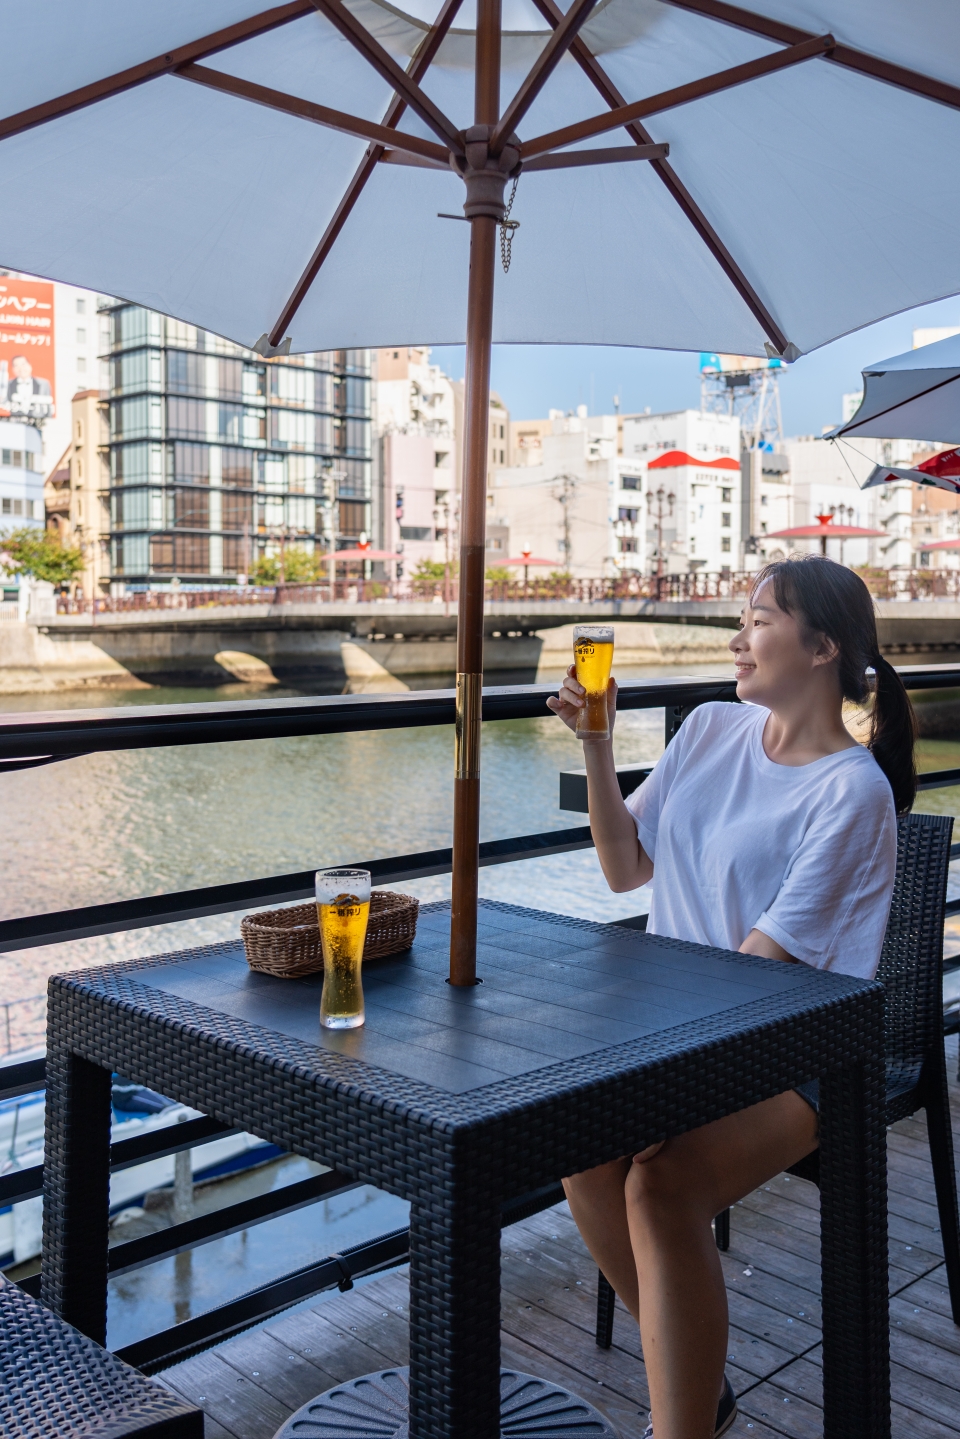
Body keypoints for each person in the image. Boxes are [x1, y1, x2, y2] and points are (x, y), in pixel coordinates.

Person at [546, 555, 915, 1439]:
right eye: (741, 619)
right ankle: (698, 1389)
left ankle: (684, 1426)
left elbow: (760, 972)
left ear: (823, 646)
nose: (738, 636)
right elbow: (623, 866)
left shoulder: (852, 791)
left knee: (660, 1181)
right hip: (687, 1027)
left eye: (759, 619)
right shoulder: (710, 728)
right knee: (582, 1147)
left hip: (800, 1053)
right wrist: (597, 742)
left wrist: (660, 1081)